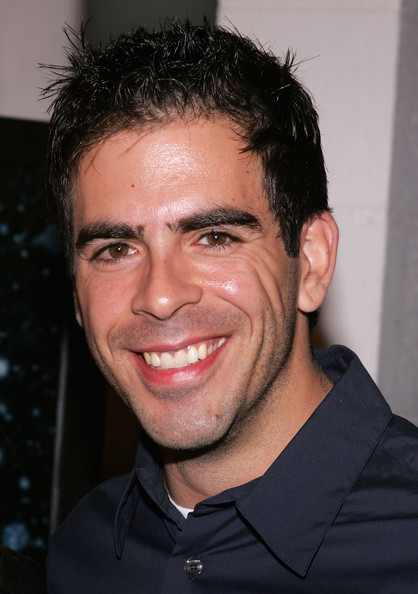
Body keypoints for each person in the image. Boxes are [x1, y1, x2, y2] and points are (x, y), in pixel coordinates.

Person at [44, 21, 418, 592]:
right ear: (76, 294)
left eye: (214, 237)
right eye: (116, 249)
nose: (160, 296)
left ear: (311, 262)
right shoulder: (81, 552)